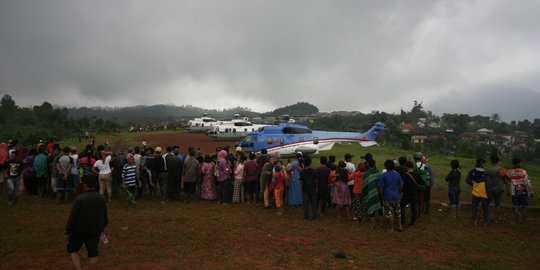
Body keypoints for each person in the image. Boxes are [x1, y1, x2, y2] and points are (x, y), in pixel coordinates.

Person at [66, 178, 108, 270]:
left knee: (73, 250)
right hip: (95, 230)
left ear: (85, 186)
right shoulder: (101, 199)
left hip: (79, 230)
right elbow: (105, 217)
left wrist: (69, 231)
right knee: (93, 253)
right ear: (95, 186)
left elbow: (73, 218)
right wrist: (101, 228)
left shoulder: (79, 199)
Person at [378, 160, 404, 232]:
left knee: (390, 212)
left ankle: (391, 228)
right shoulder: (397, 174)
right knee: (398, 212)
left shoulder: (383, 175)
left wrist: (382, 195)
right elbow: (401, 184)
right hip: (396, 196)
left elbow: (381, 187)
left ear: (385, 166)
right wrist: (399, 191)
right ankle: (400, 226)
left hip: (387, 196)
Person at [507, 158, 534, 224]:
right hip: (523, 190)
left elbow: (508, 179)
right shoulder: (523, 171)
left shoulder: (509, 171)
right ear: (518, 163)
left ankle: (516, 221)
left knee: (515, 206)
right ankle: (524, 221)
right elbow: (527, 182)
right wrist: (531, 192)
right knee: (524, 206)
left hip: (514, 191)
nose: (521, 164)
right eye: (520, 162)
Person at [466, 158, 490, 226]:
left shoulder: (472, 171)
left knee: (474, 206)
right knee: (485, 207)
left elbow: (467, 180)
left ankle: (474, 220)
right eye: (484, 163)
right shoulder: (485, 173)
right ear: (482, 164)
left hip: (475, 192)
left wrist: (473, 184)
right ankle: (485, 221)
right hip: (483, 192)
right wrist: (488, 193)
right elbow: (488, 184)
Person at [486, 154, 509, 223]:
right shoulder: (503, 170)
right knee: (498, 205)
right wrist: (508, 191)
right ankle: (496, 219)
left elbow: (486, 181)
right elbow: (506, 181)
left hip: (491, 189)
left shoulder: (488, 170)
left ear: (491, 161)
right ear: (498, 161)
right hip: (500, 189)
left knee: (487, 204)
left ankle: (487, 217)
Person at [400, 161, 422, 226]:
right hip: (415, 193)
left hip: (407, 193)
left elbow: (402, 185)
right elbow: (421, 182)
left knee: (401, 207)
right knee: (414, 208)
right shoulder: (417, 174)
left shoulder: (405, 175)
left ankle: (402, 221)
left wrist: (401, 191)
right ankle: (412, 221)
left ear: (406, 167)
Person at [362, 159, 383, 228]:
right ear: (375, 164)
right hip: (379, 193)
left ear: (368, 165)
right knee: (380, 208)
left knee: (371, 209)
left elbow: (364, 185)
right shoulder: (379, 172)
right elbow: (381, 184)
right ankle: (381, 224)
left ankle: (373, 225)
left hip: (370, 193)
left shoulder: (366, 174)